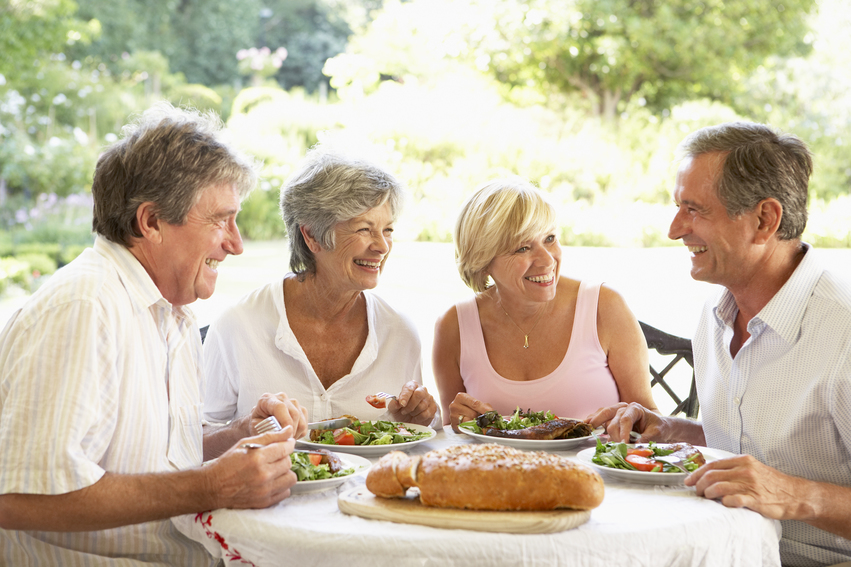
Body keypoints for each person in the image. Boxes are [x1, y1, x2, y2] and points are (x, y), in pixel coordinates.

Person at [0, 102, 310, 566]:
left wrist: (237, 435)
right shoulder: (84, 307)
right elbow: (18, 496)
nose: (236, 242)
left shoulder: (170, 309)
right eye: (220, 220)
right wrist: (208, 486)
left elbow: (143, 456)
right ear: (151, 222)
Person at [588, 122, 851, 566]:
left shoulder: (842, 331)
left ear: (765, 220)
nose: (675, 229)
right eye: (678, 207)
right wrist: (671, 429)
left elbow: (777, 479)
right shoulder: (715, 312)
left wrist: (796, 496)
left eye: (694, 210)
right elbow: (754, 445)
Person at [203, 146, 439, 428]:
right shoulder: (238, 326)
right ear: (312, 236)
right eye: (364, 229)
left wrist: (418, 419)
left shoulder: (400, 334)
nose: (382, 246)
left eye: (388, 229)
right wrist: (245, 432)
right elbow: (195, 441)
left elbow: (421, 442)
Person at [432, 177, 657, 432]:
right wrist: (460, 424)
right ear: (483, 260)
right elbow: (454, 438)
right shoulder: (454, 327)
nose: (547, 260)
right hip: (499, 470)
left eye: (550, 238)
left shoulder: (603, 307)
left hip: (596, 470)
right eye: (523, 247)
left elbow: (652, 422)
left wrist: (631, 421)